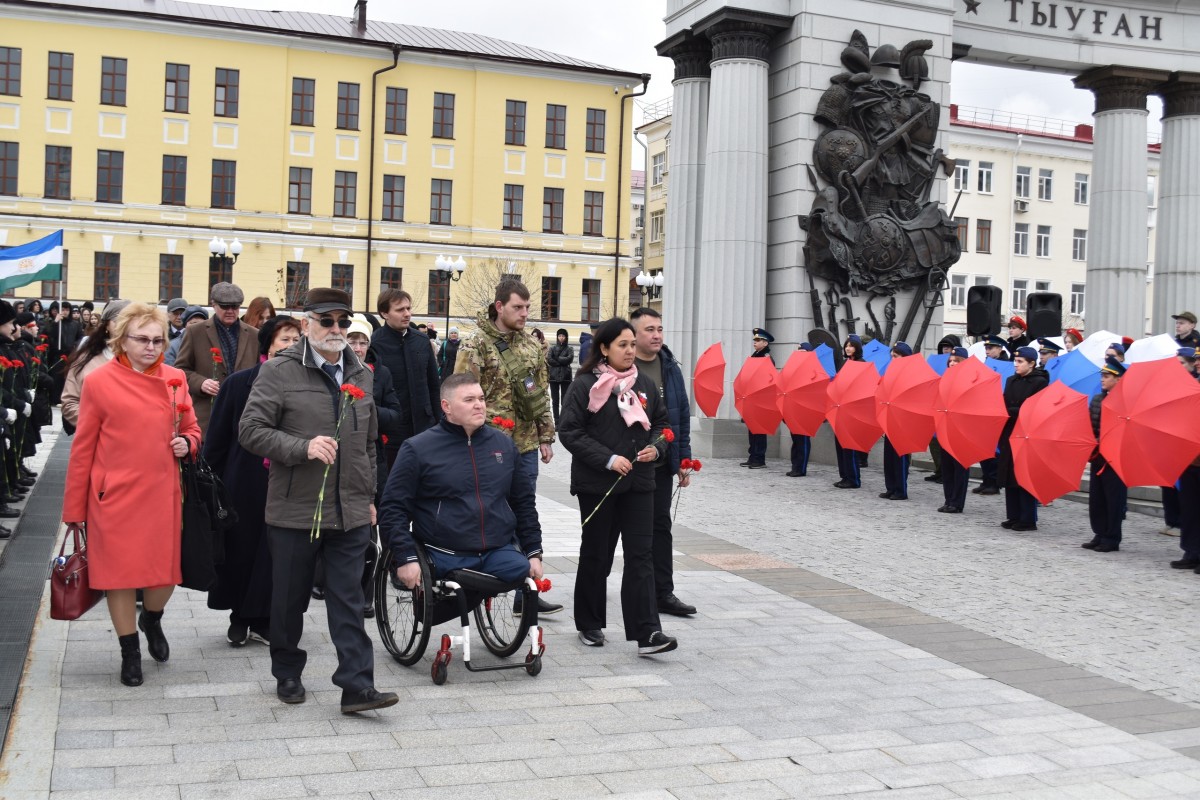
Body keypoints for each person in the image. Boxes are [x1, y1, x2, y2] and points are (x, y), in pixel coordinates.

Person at [239, 288, 398, 714]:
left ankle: (357, 686)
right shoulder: (279, 370)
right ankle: (287, 671)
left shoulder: (361, 373)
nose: (336, 329)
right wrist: (303, 447)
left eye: (343, 321)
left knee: (348, 599)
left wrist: (369, 496)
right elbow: (251, 430)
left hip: (350, 510)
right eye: (326, 321)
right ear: (305, 323)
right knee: (289, 599)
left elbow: (368, 443)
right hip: (296, 508)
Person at [62, 303, 201, 686]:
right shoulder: (99, 382)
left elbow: (192, 428)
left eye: (158, 340)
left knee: (166, 573)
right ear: (122, 340)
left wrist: (187, 443)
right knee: (118, 577)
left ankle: (151, 619)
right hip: (113, 497)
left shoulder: (175, 378)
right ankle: (129, 652)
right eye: (142, 339)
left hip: (162, 495)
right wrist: (74, 510)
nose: (151, 347)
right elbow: (83, 449)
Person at [559, 317, 677, 656]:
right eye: (622, 345)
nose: (629, 351)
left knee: (641, 555)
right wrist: (608, 459)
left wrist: (657, 447)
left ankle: (647, 632)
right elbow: (570, 432)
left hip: (640, 482)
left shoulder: (644, 384)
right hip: (598, 483)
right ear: (604, 348)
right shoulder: (585, 385)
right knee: (598, 553)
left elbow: (662, 424)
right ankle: (589, 622)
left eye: (631, 345)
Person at [380, 373, 544, 595]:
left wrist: (534, 551)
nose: (479, 405)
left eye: (481, 398)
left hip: (497, 550)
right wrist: (405, 557)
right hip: (442, 552)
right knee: (453, 597)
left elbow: (523, 502)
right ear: (446, 406)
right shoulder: (418, 448)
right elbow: (393, 507)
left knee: (523, 571)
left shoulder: (503, 445)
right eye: (469, 400)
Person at [454, 279, 561, 614]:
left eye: (527, 307)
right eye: (518, 307)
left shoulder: (532, 346)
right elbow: (460, 395)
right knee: (490, 511)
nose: (524, 313)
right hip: (487, 445)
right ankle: (482, 580)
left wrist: (546, 436)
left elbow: (540, 393)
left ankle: (524, 593)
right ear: (499, 307)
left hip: (525, 444)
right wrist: (462, 441)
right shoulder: (476, 344)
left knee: (524, 511)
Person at [204, 316, 303, 649]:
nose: (291, 346)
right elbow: (217, 439)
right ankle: (240, 616)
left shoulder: (307, 384)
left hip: (290, 481)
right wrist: (212, 484)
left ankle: (263, 618)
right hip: (244, 481)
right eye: (284, 339)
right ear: (268, 345)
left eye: (296, 340)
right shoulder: (239, 383)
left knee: (276, 555)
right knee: (243, 550)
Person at [631, 307, 696, 618]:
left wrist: (683, 458)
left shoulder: (669, 366)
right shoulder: (624, 366)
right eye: (649, 329)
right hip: (628, 465)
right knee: (619, 533)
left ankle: (663, 593)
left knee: (661, 527)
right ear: (633, 335)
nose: (657, 335)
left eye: (659, 329)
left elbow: (680, 414)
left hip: (661, 464)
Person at [370, 289, 441, 470]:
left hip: (424, 427)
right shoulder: (375, 344)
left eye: (408, 308)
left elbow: (434, 385)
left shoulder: (422, 341)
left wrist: (439, 421)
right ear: (384, 313)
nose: (407, 314)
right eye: (400, 309)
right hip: (393, 432)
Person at [175, 282, 259, 434]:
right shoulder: (195, 332)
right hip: (208, 418)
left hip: (243, 419)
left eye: (235, 306)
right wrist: (201, 383)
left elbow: (260, 373)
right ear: (213, 305)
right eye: (225, 306)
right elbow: (180, 370)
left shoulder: (254, 335)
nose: (230, 311)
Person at [998, 346, 1049, 532]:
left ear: (1032, 363)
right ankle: (1013, 515)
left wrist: (1011, 411)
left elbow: (1036, 409)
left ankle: (1027, 518)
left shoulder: (1040, 382)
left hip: (1028, 433)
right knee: (1009, 474)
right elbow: (1004, 401)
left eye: (1020, 362)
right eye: (1015, 361)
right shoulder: (1011, 380)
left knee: (1024, 475)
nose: (1016, 364)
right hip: (1010, 431)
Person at [62, 300, 131, 430]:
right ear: (107, 325)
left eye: (129, 322)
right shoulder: (86, 359)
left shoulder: (144, 360)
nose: (124, 327)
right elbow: (70, 402)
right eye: (118, 321)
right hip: (97, 435)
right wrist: (97, 424)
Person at [1082, 357, 1127, 554]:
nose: (1102, 379)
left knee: (1113, 498)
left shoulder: (1125, 402)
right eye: (1102, 375)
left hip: (1115, 457)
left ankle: (1112, 537)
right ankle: (1099, 532)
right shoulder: (1097, 399)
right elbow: (1090, 425)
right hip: (1097, 455)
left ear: (1118, 379)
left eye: (1107, 376)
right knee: (1097, 498)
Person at [880, 341, 915, 501]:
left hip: (904, 421)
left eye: (896, 356)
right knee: (889, 457)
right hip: (891, 418)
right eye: (892, 356)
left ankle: (901, 490)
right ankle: (891, 487)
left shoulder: (910, 375)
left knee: (900, 457)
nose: (892, 359)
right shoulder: (891, 373)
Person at [938, 347, 971, 514]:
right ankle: (948, 499)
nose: (952, 363)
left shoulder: (969, 381)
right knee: (947, 467)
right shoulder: (945, 379)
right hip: (946, 426)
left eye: (956, 361)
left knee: (960, 467)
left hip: (962, 429)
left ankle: (957, 502)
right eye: (950, 361)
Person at [833, 334, 865, 488]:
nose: (848, 348)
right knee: (840, 445)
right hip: (841, 409)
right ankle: (844, 476)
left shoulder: (862, 364)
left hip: (853, 411)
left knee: (849, 447)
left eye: (851, 345)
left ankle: (853, 479)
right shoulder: (845, 363)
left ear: (857, 348)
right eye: (846, 345)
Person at [741, 328, 774, 469]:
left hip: (761, 399)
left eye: (758, 340)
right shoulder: (755, 356)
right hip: (751, 398)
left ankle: (760, 459)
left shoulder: (766, 358)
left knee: (759, 430)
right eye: (754, 340)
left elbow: (768, 380)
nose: (755, 342)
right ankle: (752, 456)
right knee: (752, 430)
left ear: (765, 343)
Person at [788, 342, 816, 478]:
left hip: (806, 410)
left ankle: (801, 468)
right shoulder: (794, 369)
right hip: (794, 408)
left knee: (803, 440)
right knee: (796, 440)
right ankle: (795, 466)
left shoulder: (814, 370)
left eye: (803, 352)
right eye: (799, 352)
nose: (800, 355)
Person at [547, 328, 575, 424]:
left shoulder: (569, 348)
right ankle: (556, 421)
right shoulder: (552, 348)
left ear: (566, 337)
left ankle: (563, 420)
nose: (561, 338)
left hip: (566, 376)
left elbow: (570, 359)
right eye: (559, 336)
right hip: (553, 376)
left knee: (565, 400)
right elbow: (549, 360)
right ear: (557, 337)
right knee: (555, 400)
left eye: (563, 336)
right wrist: (562, 361)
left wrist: (557, 358)